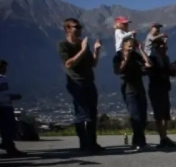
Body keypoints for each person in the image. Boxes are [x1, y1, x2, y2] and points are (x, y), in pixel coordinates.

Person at [57, 18, 104, 153]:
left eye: (80, 27)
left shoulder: (82, 44)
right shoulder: (63, 45)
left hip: (89, 81)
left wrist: (96, 51)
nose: (79, 29)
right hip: (76, 82)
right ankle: (84, 144)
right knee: (82, 114)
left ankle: (92, 143)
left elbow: (92, 64)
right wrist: (83, 49)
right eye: (76, 27)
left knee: (92, 113)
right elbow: (69, 64)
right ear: (68, 29)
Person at [113, 38, 151, 151]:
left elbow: (148, 64)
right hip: (128, 88)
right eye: (129, 46)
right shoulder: (118, 56)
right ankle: (138, 141)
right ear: (123, 46)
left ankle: (139, 140)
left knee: (143, 116)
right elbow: (117, 70)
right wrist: (125, 59)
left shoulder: (136, 55)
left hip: (140, 87)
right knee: (136, 116)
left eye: (133, 46)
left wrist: (141, 50)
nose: (131, 48)